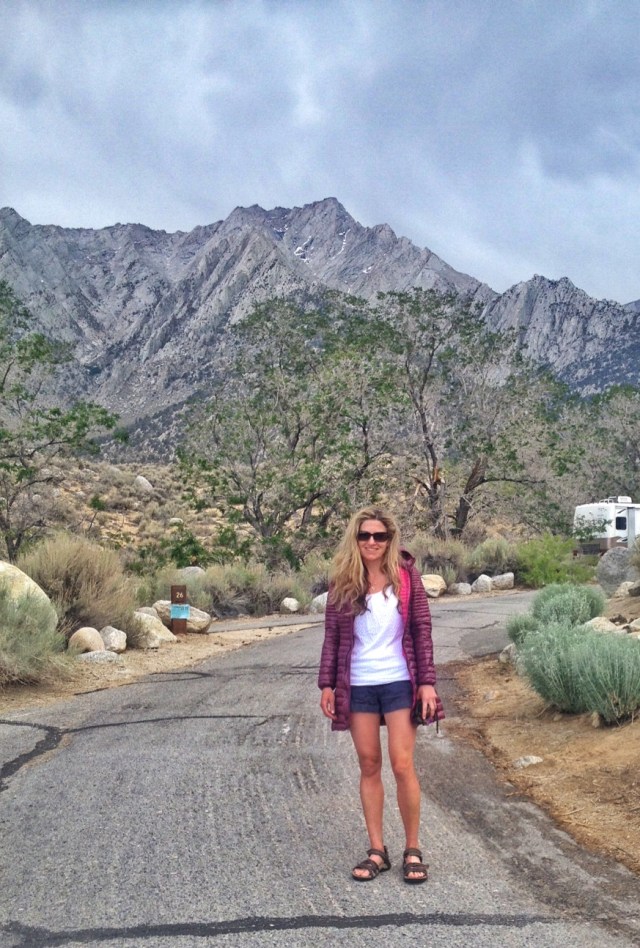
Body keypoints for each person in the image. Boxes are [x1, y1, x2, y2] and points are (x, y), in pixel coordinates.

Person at [318, 506, 439, 884]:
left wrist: (427, 682)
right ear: (355, 539)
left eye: (379, 536)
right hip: (358, 683)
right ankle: (377, 850)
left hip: (400, 681)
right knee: (369, 764)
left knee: (402, 764)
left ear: (389, 540)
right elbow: (332, 637)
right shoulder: (342, 580)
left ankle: (413, 849)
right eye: (364, 535)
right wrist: (327, 685)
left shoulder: (406, 576)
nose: (372, 542)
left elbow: (421, 629)